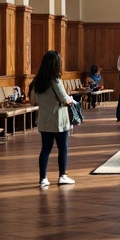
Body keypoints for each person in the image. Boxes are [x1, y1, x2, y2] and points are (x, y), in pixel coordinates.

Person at [28, 49, 75, 187]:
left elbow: (33, 101)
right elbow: (64, 99)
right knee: (63, 148)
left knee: (45, 149)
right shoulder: (56, 80)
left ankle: (43, 178)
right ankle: (62, 175)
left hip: (44, 119)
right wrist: (70, 99)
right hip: (59, 119)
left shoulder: (37, 82)